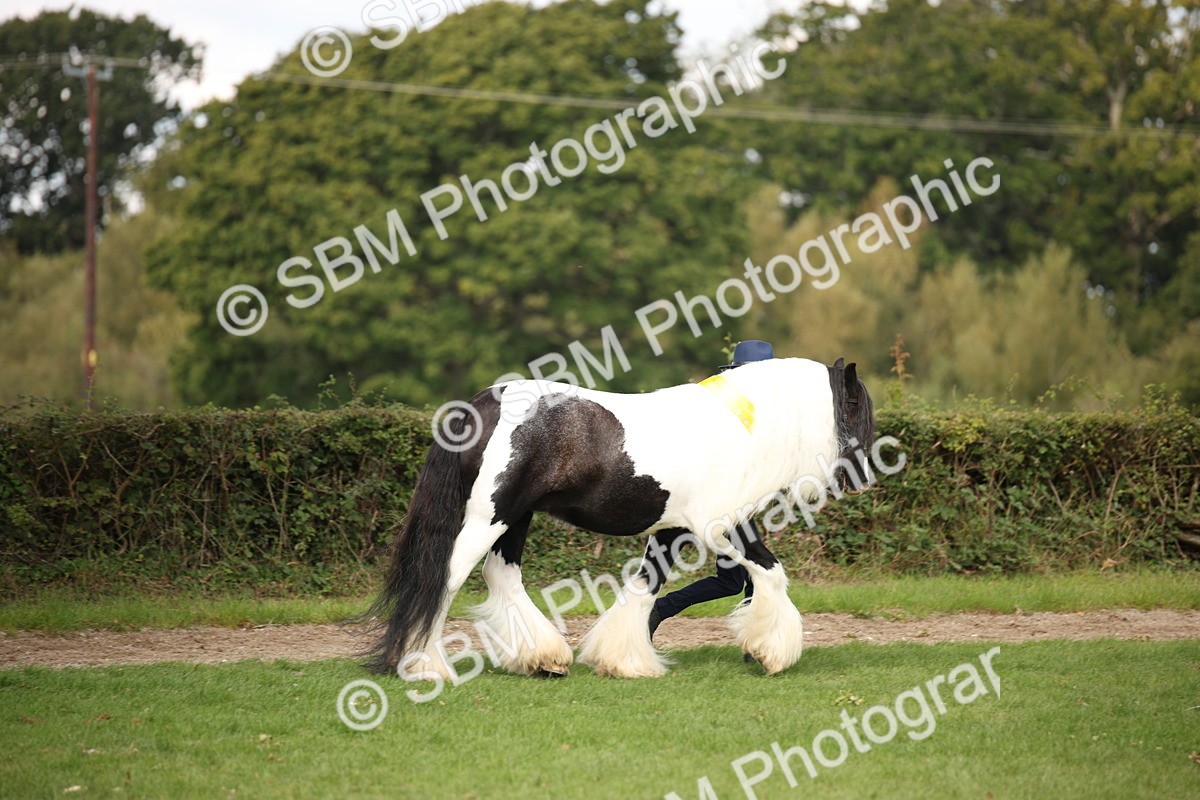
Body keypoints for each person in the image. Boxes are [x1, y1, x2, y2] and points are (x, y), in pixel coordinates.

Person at [647, 340, 773, 661]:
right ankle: (756, 643)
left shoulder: (743, 402)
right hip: (718, 498)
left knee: (732, 581)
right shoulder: (734, 405)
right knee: (758, 569)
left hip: (722, 497)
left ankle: (658, 610)